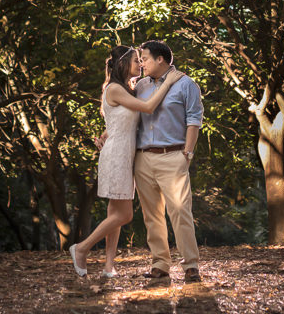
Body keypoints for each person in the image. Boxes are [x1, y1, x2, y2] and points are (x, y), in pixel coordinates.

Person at [69, 45, 183, 278]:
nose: (140, 64)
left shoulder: (127, 89)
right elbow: (149, 108)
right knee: (125, 215)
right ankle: (81, 248)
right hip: (117, 157)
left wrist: (106, 133)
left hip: (124, 154)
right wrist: (169, 82)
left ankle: (108, 266)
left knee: (115, 213)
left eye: (141, 61)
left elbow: (121, 121)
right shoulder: (114, 89)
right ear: (122, 64)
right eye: (135, 61)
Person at [132, 40, 204, 283]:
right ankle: (160, 263)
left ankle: (190, 265)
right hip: (142, 158)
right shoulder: (140, 86)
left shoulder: (186, 84)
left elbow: (194, 120)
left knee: (180, 211)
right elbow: (131, 117)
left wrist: (188, 153)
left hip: (173, 156)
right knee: (152, 215)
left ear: (160, 59)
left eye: (145, 59)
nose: (141, 63)